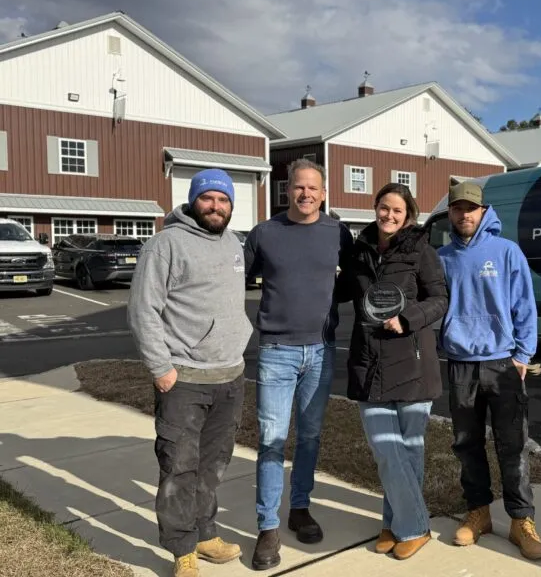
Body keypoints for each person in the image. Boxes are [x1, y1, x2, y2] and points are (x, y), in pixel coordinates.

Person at [127, 168, 252, 577]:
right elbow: (143, 310)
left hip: (229, 377)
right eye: (208, 198)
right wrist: (160, 367)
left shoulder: (233, 243)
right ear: (193, 200)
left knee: (213, 466)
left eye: (223, 199)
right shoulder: (165, 245)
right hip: (184, 379)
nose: (216, 206)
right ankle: (182, 548)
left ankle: (204, 534)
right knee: (179, 468)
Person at [243, 158, 354, 571]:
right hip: (277, 351)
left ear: (323, 194)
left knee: (309, 436)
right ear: (287, 190)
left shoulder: (338, 233)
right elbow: (235, 279)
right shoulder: (264, 233)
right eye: (298, 186)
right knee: (272, 439)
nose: (305, 193)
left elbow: (354, 280)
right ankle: (268, 527)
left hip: (322, 350)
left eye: (313, 188)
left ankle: (300, 507)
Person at [437, 181, 541, 561]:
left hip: (502, 364)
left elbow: (525, 306)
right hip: (461, 364)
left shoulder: (506, 252)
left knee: (512, 445)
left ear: (483, 212)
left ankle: (521, 520)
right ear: (450, 213)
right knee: (467, 444)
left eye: (471, 208)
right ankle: (478, 513)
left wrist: (522, 355)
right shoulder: (442, 258)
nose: (464, 214)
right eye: (457, 208)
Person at [344, 182, 448, 560]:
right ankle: (413, 525)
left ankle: (397, 525)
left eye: (397, 211)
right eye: (384, 208)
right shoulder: (359, 250)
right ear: (375, 208)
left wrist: (407, 319)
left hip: (412, 362)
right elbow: (339, 289)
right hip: (369, 362)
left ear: (408, 216)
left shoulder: (421, 250)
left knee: (408, 452)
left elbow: (440, 299)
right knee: (387, 452)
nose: (389, 215)